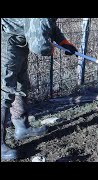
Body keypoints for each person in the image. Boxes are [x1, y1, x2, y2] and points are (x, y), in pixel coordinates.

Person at [1, 18, 78, 160]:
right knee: (5, 90)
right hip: (7, 37)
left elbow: (49, 24)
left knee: (21, 84)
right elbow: (39, 46)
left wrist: (63, 42)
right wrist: (49, 48)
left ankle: (21, 127)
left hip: (20, 37)